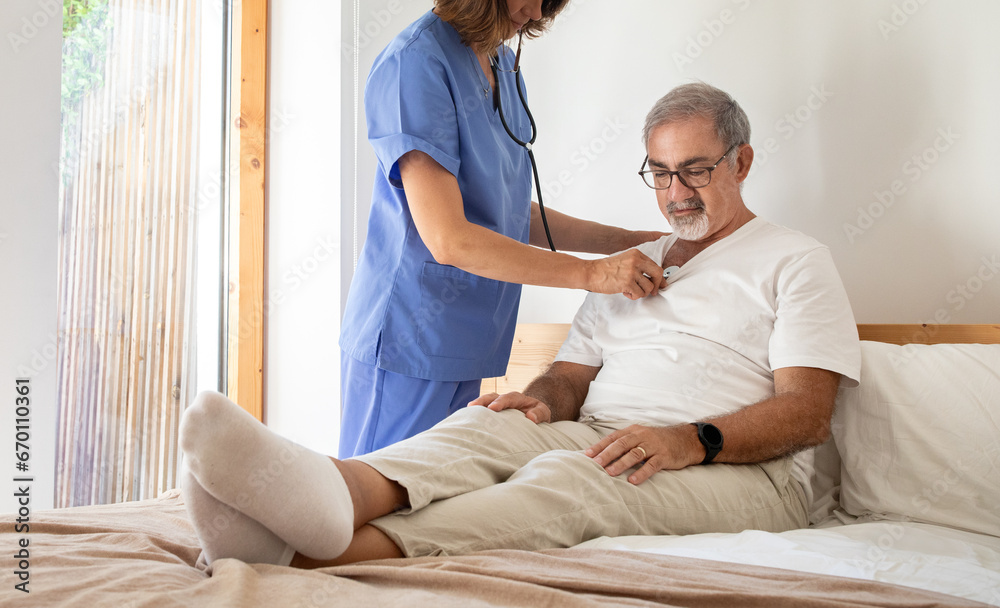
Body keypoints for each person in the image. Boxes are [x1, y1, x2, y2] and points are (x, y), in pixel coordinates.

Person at [180, 82, 861, 569]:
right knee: (488, 425)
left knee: (571, 480)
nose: (676, 193)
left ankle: (306, 554)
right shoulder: (635, 264)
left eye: (695, 171)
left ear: (740, 163)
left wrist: (689, 439)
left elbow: (806, 414)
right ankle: (335, 491)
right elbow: (572, 375)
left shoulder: (795, 261)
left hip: (741, 474)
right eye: (659, 173)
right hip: (603, 432)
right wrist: (539, 400)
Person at [339, 0, 668, 458]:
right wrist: (591, 275)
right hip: (409, 341)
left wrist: (628, 241)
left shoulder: (501, 65)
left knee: (433, 508)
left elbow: (510, 213)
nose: (535, 12)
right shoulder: (413, 66)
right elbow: (449, 238)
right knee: (377, 498)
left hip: (469, 341)